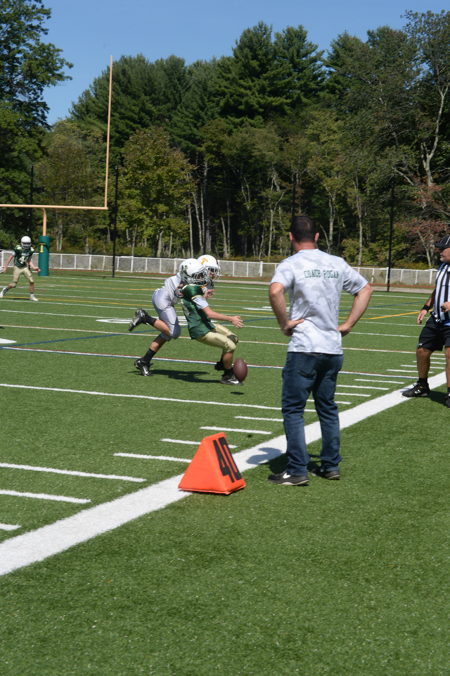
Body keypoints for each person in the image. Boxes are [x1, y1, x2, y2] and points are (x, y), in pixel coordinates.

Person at [268, 215, 372, 486]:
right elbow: (365, 289)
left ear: (290, 237)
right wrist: (348, 324)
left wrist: (284, 323)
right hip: (332, 347)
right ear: (317, 236)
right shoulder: (336, 262)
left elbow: (276, 291)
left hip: (305, 347)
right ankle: (330, 465)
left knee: (293, 410)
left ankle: (297, 469)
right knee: (327, 407)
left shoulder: (291, 263)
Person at [402, 234, 450, 408]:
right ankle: (422, 385)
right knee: (422, 350)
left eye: (443, 248)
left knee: (449, 354)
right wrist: (426, 307)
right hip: (437, 318)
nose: (439, 251)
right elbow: (438, 289)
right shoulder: (442, 266)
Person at [180, 258, 244, 385]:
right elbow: (209, 313)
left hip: (206, 323)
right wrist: (231, 318)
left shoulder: (193, 287)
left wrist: (205, 294)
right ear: (188, 276)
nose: (201, 277)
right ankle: (228, 375)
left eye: (201, 274)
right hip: (199, 329)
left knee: (234, 338)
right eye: (198, 275)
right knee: (230, 346)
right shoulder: (191, 289)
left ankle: (222, 364)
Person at [128, 259, 195, 376]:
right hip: (163, 299)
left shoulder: (190, 276)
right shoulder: (185, 278)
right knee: (174, 332)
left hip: (164, 298)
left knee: (166, 334)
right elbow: (184, 296)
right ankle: (144, 317)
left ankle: (144, 361)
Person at [0, 236, 40, 301]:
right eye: (25, 243)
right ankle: (5, 289)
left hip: (24, 267)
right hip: (17, 267)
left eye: (28, 243)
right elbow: (10, 258)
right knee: (14, 284)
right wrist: (5, 267)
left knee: (32, 281)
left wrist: (34, 267)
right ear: (21, 243)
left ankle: (32, 296)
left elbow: (29, 260)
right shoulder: (18, 249)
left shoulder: (31, 250)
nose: (26, 245)